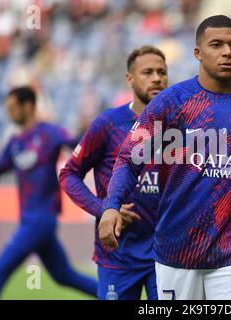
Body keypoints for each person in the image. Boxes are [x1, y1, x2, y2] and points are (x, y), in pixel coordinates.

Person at [98, 15, 231, 300]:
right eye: (216, 44)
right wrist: (110, 206)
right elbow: (129, 158)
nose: (227, 52)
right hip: (175, 252)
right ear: (198, 53)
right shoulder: (170, 103)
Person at [0, 86, 97, 300]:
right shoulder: (15, 144)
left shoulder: (50, 133)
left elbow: (81, 145)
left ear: (28, 105)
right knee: (64, 276)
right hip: (30, 220)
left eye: (12, 107)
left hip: (41, 219)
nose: (9, 113)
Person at [59, 45, 168, 300]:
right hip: (117, 253)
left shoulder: (177, 126)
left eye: (162, 72)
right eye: (148, 72)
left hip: (165, 256)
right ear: (130, 79)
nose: (156, 78)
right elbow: (69, 174)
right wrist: (104, 209)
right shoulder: (108, 124)